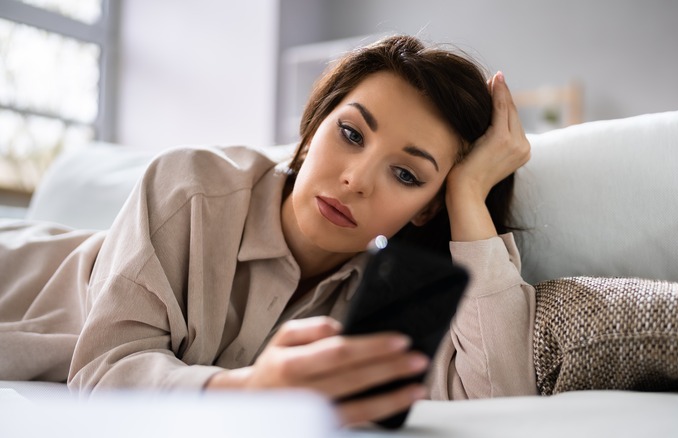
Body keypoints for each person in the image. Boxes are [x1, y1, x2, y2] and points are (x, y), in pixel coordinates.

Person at [0, 35, 536, 425]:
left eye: (406, 174)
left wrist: (467, 195)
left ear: (426, 208)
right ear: (313, 127)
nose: (355, 180)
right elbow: (103, 372)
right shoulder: (191, 185)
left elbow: (501, 399)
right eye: (350, 133)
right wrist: (249, 389)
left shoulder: (385, 299)